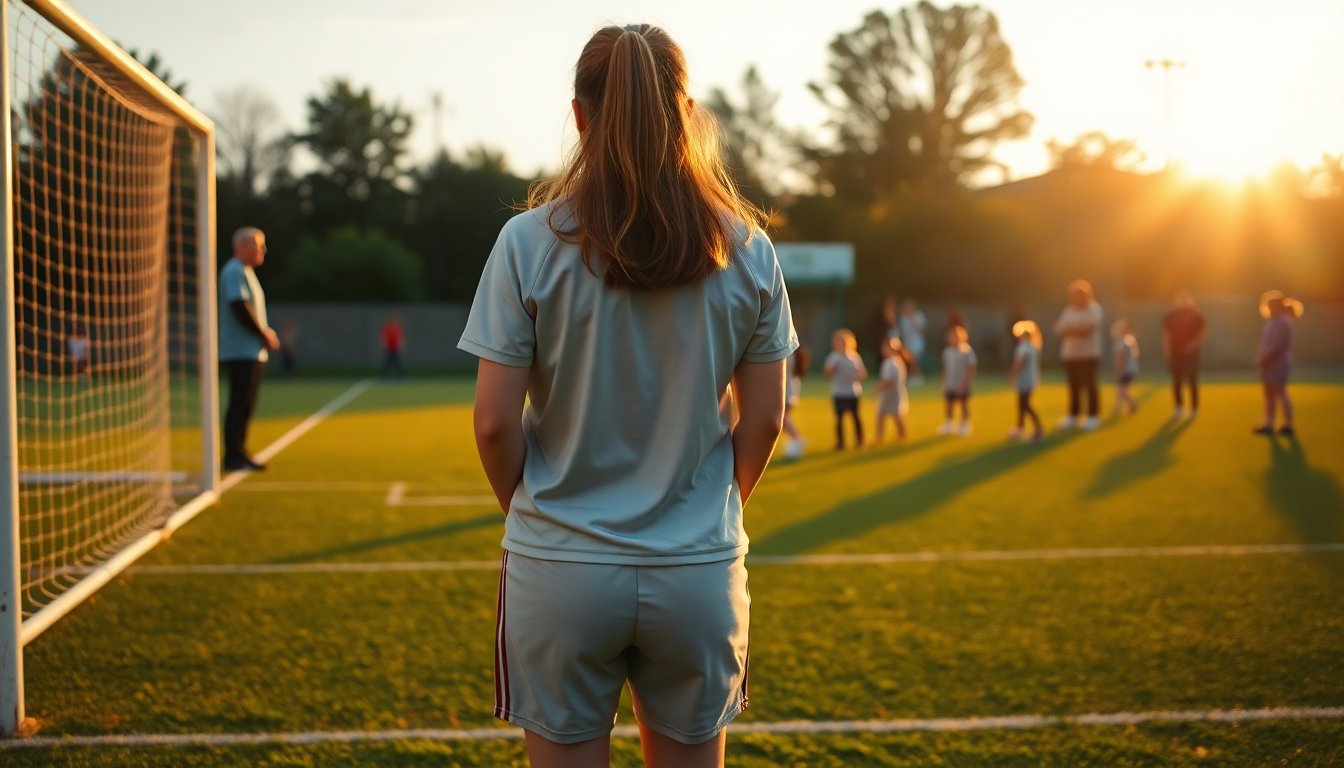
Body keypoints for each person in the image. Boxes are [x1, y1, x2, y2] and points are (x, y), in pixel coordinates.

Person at [456, 24, 795, 768]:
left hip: (561, 569)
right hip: (698, 571)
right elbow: (766, 419)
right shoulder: (749, 249)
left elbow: (491, 425)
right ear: (689, 113)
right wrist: (702, 509)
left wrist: (549, 523)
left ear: (579, 115)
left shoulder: (525, 242)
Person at [219, 226, 280, 472]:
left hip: (250, 351)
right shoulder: (234, 271)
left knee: (246, 404)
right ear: (242, 246)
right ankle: (232, 456)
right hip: (239, 351)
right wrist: (263, 333)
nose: (264, 249)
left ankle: (240, 451)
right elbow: (239, 307)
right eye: (259, 244)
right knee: (239, 402)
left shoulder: (246, 272)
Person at [1054, 279, 1103, 430]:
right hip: (1070, 354)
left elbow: (1086, 331)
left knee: (1090, 385)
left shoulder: (1094, 309)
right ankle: (1073, 416)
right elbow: (1059, 329)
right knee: (1073, 386)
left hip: (1089, 354)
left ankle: (1093, 416)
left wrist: (1071, 329)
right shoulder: (1068, 310)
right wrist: (1076, 329)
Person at [1254, 290, 1303, 437]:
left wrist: (1265, 359)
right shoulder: (1272, 322)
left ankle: (1289, 425)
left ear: (1278, 306)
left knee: (1280, 393)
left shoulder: (1283, 322)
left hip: (1279, 363)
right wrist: (1263, 360)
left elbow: (1277, 346)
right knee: (1268, 394)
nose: (1269, 308)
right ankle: (1269, 423)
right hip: (1269, 362)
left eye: (1272, 306)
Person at [1163, 290, 1205, 419]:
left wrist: (1194, 344)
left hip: (1190, 353)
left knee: (1192, 380)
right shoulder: (1171, 315)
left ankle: (1193, 409)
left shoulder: (1195, 314)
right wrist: (1167, 349)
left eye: (1185, 299)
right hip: (1176, 352)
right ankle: (1178, 408)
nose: (1182, 301)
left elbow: (1202, 331)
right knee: (1177, 381)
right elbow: (1165, 333)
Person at [824, 328, 867, 450]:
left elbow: (863, 374)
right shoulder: (833, 357)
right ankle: (840, 443)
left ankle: (860, 440)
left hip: (853, 392)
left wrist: (858, 375)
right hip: (839, 392)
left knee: (856, 417)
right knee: (839, 419)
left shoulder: (855, 357)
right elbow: (827, 373)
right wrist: (832, 368)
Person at [937, 325, 977, 436]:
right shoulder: (947, 352)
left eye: (955, 336)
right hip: (950, 383)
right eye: (950, 336)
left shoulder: (967, 351)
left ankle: (965, 425)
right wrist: (944, 381)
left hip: (962, 383)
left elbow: (971, 368)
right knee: (949, 404)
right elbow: (945, 367)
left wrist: (966, 383)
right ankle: (949, 424)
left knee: (963, 404)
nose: (952, 338)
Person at [1007, 320, 1043, 441]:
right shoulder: (1032, 346)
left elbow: (1020, 362)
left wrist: (1012, 374)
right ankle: (1019, 428)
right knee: (1021, 405)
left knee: (1025, 405)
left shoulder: (1024, 347)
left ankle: (1038, 429)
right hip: (1029, 380)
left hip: (1025, 381)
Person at [874, 337, 909, 443]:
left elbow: (889, 380)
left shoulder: (892, 363)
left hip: (890, 394)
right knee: (895, 414)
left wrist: (878, 389)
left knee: (882, 414)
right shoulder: (896, 361)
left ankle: (880, 437)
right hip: (894, 393)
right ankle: (901, 434)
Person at [782, 344, 810, 459]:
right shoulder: (792, 354)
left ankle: (797, 439)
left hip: (786, 392)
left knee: (782, 419)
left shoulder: (787, 355)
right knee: (783, 419)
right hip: (791, 392)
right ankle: (796, 441)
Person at [1111, 320, 1140, 415]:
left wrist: (1119, 370)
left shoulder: (1121, 341)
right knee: (1120, 389)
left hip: (1125, 369)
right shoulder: (1131, 339)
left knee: (1122, 391)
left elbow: (1120, 357)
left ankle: (1133, 404)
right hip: (1132, 368)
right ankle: (1117, 408)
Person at [898, 298, 927, 386]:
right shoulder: (903, 317)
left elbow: (922, 330)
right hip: (907, 342)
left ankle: (918, 377)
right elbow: (902, 331)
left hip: (917, 342)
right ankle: (913, 377)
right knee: (909, 360)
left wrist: (912, 320)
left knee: (915, 360)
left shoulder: (919, 316)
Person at [380, 314, 405, 380]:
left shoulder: (398, 327)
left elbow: (400, 337)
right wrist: (384, 345)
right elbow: (384, 337)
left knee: (398, 363)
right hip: (389, 348)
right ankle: (384, 377)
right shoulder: (387, 327)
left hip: (396, 348)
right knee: (387, 363)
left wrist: (400, 346)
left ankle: (400, 377)